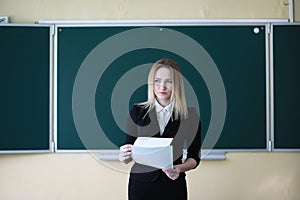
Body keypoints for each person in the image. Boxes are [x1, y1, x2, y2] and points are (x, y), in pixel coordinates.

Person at [119, 58, 201, 200]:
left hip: (173, 186)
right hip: (141, 186)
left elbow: (194, 158)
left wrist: (179, 169)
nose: (162, 86)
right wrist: (123, 155)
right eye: (157, 81)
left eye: (168, 81)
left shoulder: (190, 116)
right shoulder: (137, 112)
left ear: (177, 84)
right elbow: (129, 151)